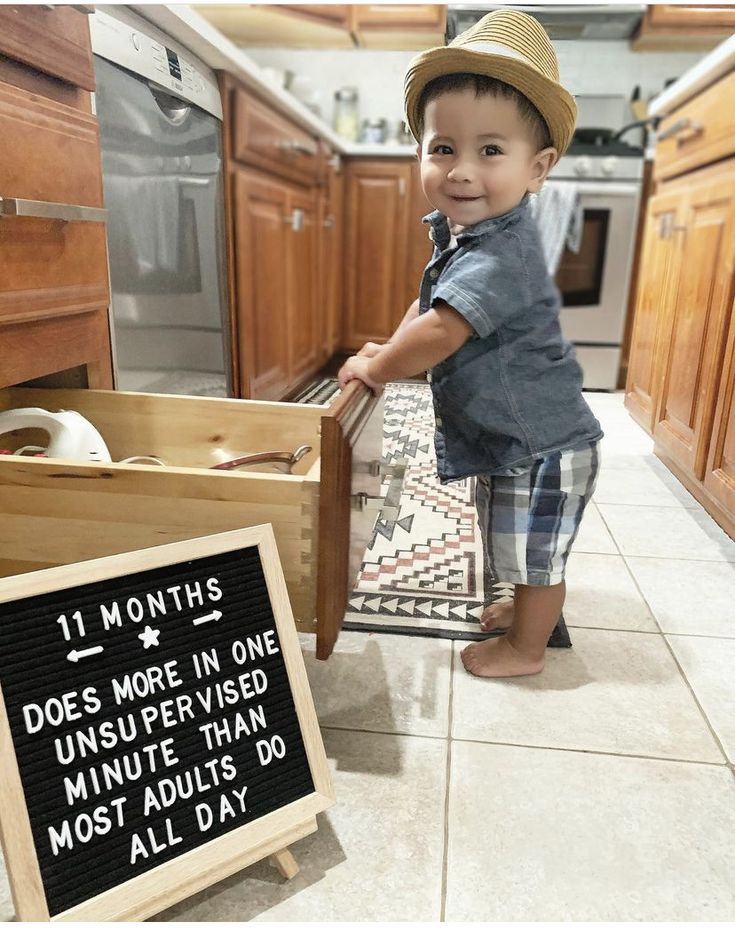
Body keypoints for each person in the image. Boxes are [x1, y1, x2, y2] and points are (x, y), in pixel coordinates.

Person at [338, 9, 603, 679]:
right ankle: (520, 611)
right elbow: (426, 307)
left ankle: (527, 649)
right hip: (511, 436)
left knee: (535, 557)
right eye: (443, 148)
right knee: (511, 541)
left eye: (490, 151)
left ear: (536, 167)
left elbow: (440, 330)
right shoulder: (462, 237)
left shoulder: (503, 252)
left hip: (540, 445)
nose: (460, 170)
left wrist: (378, 370)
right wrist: (385, 347)